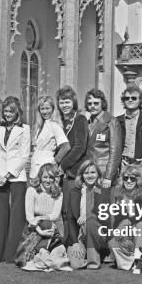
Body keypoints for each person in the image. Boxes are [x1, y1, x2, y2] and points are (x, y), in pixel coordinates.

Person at [0, 96, 30, 262]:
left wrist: (8, 175)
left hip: (17, 176)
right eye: (5, 111)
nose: (8, 114)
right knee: (1, 214)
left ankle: (12, 254)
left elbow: (25, 156)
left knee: (17, 215)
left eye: (11, 111)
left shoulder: (24, 128)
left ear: (17, 112)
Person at [105, 165, 142, 272]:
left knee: (141, 225)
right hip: (129, 234)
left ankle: (139, 260)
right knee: (113, 243)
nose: (129, 181)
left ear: (137, 180)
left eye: (132, 178)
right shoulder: (118, 194)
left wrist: (128, 222)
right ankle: (130, 263)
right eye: (126, 178)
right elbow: (116, 221)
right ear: (122, 179)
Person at [56, 86, 88, 246]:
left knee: (72, 211)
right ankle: (66, 242)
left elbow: (80, 147)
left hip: (73, 172)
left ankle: (74, 245)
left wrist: (62, 165)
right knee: (63, 211)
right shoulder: (62, 122)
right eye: (62, 102)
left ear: (73, 102)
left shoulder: (80, 119)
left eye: (67, 101)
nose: (64, 105)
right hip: (62, 174)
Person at [14, 163, 64, 268]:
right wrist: (40, 231)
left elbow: (55, 215)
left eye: (51, 177)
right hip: (33, 229)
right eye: (45, 177)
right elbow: (29, 217)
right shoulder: (31, 191)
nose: (48, 180)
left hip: (51, 229)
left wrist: (40, 218)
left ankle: (43, 254)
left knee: (47, 223)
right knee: (21, 260)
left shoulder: (59, 193)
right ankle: (41, 254)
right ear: (40, 177)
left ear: (55, 179)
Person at [64, 159, 105, 269]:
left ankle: (93, 262)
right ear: (81, 175)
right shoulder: (74, 192)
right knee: (75, 264)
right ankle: (86, 253)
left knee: (90, 223)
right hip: (80, 235)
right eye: (86, 173)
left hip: (98, 233)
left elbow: (103, 215)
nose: (90, 176)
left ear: (98, 174)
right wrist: (75, 243)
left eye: (93, 172)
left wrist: (86, 217)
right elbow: (71, 219)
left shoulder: (102, 190)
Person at [83, 88, 121, 188]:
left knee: (104, 202)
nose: (92, 106)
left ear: (102, 104)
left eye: (96, 103)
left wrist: (109, 176)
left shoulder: (112, 121)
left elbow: (115, 151)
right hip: (89, 172)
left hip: (104, 173)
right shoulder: (87, 122)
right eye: (89, 103)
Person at [29, 96, 70, 180]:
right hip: (34, 167)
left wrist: (54, 162)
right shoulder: (39, 126)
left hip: (46, 167)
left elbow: (66, 146)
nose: (45, 112)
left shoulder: (54, 125)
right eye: (42, 109)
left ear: (53, 109)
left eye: (47, 108)